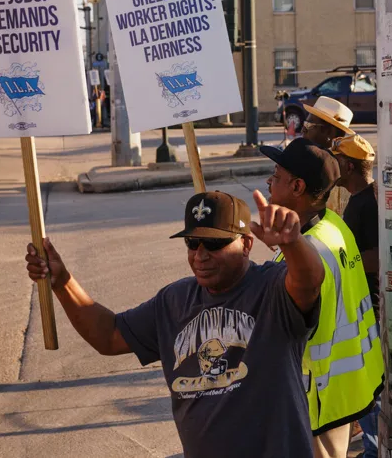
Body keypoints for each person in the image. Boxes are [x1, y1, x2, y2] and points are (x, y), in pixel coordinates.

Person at [24, 191, 324, 458]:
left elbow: (309, 281)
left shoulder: (272, 288)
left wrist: (293, 242)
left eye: (215, 243)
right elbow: (108, 337)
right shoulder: (175, 300)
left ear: (246, 244)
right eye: (192, 242)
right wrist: (62, 282)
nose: (200, 255)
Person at [260, 138, 383, 458]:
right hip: (341, 389)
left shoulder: (308, 249)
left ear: (298, 186)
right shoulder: (333, 225)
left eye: (276, 175)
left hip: (314, 397)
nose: (269, 183)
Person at [329, 134, 380, 458]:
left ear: (347, 165)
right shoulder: (361, 198)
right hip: (363, 301)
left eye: (336, 159)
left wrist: (343, 261)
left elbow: (377, 256)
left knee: (367, 384)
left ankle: (375, 450)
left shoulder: (369, 203)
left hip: (370, 304)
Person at [302, 96, 355, 215]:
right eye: (304, 123)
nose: (303, 130)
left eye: (309, 125)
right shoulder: (311, 158)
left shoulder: (342, 169)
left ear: (329, 132)